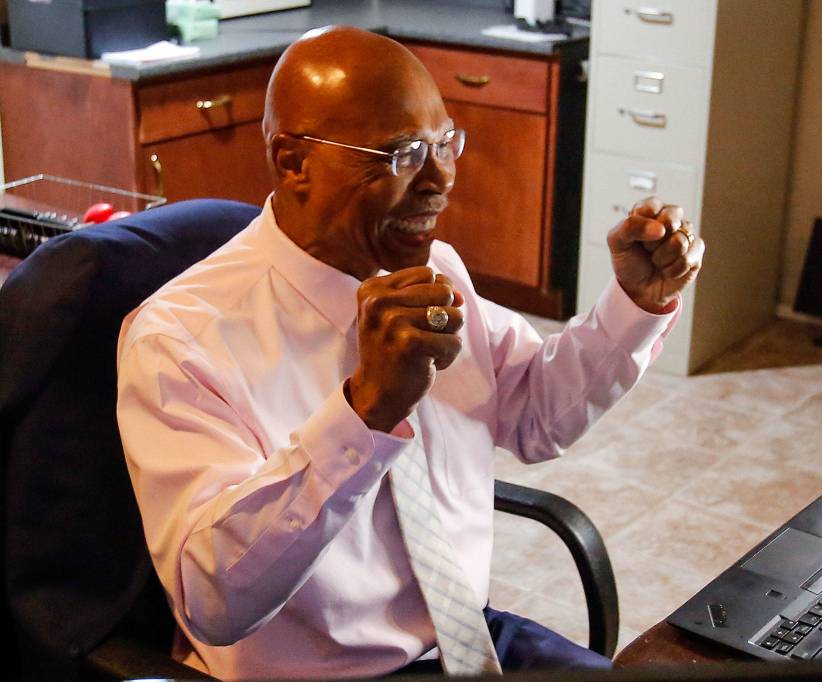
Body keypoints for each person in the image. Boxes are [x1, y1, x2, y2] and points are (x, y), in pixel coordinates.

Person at [116, 26, 705, 679]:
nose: (440, 180)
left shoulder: (439, 271)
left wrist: (636, 304)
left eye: (445, 143)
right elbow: (214, 601)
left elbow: (538, 414)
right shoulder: (180, 340)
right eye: (400, 154)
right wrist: (363, 412)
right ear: (292, 162)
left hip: (471, 642)